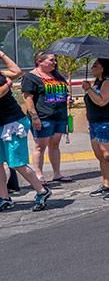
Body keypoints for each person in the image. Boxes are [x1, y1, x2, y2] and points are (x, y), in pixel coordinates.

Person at [0, 49, 51, 212]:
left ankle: (42, 191)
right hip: (1, 123)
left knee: (17, 163)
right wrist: (8, 83)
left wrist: (1, 55)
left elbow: (17, 71)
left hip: (12, 123)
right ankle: (4, 198)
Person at [21, 52, 72, 184]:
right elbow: (28, 98)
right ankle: (39, 175)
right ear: (39, 61)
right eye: (51, 60)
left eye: (55, 60)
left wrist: (67, 99)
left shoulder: (56, 75)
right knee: (40, 146)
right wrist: (34, 117)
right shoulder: (30, 77)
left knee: (55, 144)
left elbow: (63, 92)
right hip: (43, 116)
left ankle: (57, 174)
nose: (54, 63)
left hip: (59, 115)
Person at [82, 58, 109, 199]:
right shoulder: (97, 82)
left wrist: (88, 89)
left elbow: (102, 101)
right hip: (95, 123)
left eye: (95, 66)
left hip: (107, 123)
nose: (92, 68)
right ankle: (107, 185)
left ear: (103, 68)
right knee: (101, 157)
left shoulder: (108, 82)